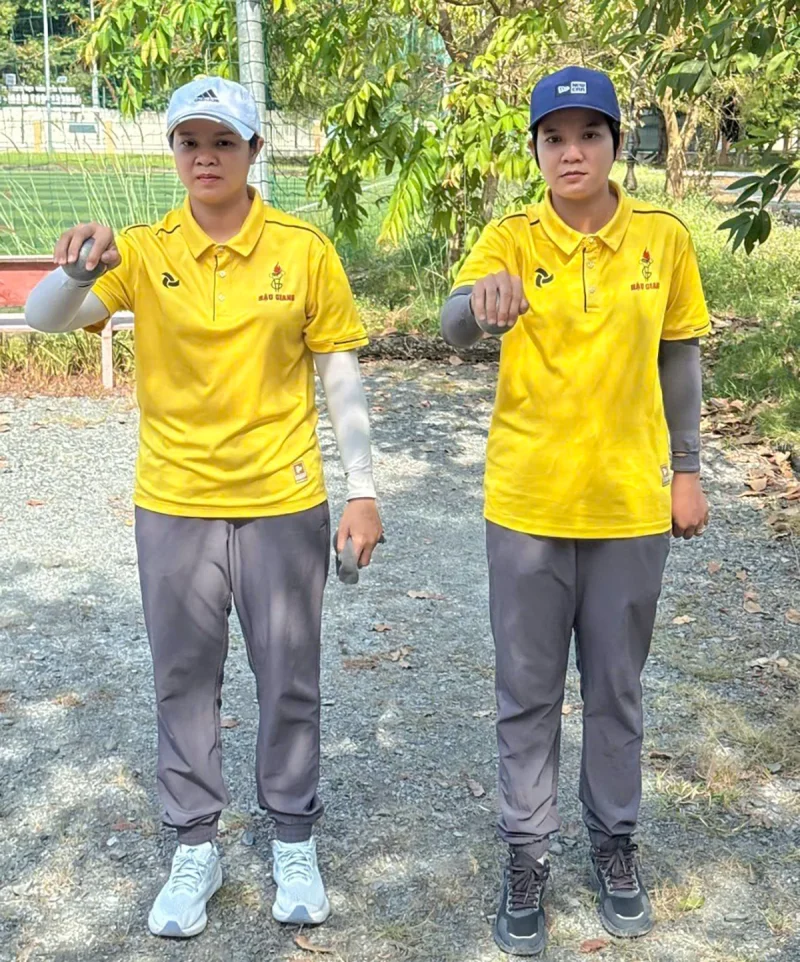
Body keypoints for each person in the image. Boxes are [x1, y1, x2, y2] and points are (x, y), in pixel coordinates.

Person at [26, 75, 383, 939]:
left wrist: (364, 489)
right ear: (174, 152)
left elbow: (338, 374)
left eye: (223, 141)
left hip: (281, 500)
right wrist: (74, 272)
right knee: (183, 677)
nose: (206, 157)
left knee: (288, 674)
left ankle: (292, 837)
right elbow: (43, 319)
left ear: (254, 150)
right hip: (175, 502)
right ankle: (196, 845)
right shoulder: (145, 250)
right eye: (190, 142)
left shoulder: (303, 249)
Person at [440, 66, 710, 956]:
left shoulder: (663, 239)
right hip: (528, 506)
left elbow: (679, 357)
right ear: (536, 151)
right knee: (526, 691)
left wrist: (687, 471)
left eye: (590, 134)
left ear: (617, 145)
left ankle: (614, 843)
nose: (572, 152)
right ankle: (527, 852)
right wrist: (479, 306)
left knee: (616, 689)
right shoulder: (511, 238)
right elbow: (451, 322)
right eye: (553, 138)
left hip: (630, 506)